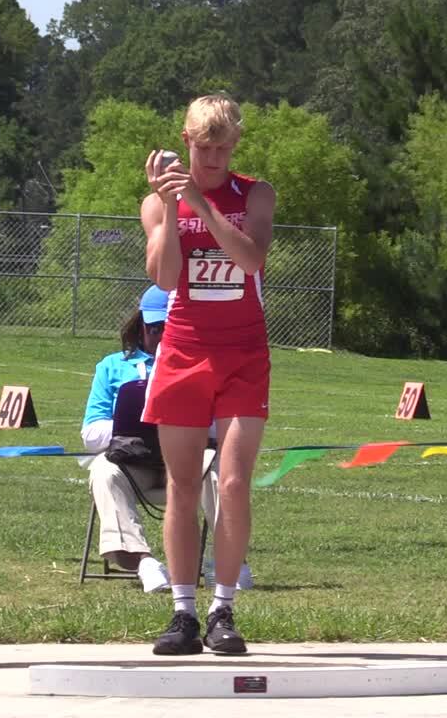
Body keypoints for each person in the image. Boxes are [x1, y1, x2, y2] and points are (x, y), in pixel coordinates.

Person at [140, 94, 276, 655]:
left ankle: (223, 608)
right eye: (205, 146)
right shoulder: (159, 202)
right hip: (184, 351)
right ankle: (182, 612)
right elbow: (165, 278)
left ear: (235, 144)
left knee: (235, 481)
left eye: (224, 147)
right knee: (183, 484)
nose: (215, 156)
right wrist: (173, 207)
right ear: (187, 140)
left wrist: (201, 199)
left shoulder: (256, 194)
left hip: (243, 352)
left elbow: (250, 260)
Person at [81, 286, 255, 593]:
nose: (160, 335)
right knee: (103, 470)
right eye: (155, 328)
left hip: (191, 459)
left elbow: (222, 429)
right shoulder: (111, 367)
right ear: (140, 326)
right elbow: (91, 434)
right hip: (136, 462)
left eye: (169, 328)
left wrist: (180, 428)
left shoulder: (210, 366)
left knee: (220, 465)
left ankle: (229, 562)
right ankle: (144, 562)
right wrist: (136, 424)